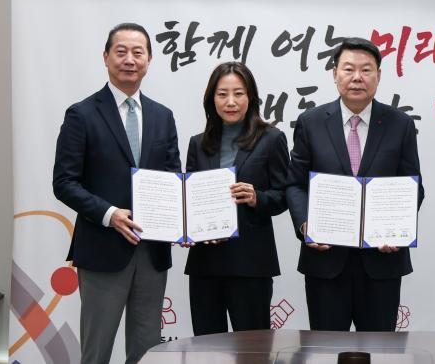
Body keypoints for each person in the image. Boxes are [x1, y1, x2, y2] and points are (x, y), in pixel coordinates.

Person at [53, 23, 180, 364]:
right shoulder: (81, 114)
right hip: (102, 248)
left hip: (152, 252)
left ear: (149, 60)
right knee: (97, 351)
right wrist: (109, 214)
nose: (129, 59)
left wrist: (182, 222)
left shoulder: (163, 116)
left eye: (138, 52)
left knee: (147, 350)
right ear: (106, 57)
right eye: (121, 51)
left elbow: (172, 180)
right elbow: (64, 182)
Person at [286, 37, 425, 331]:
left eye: (366, 70)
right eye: (349, 69)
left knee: (379, 348)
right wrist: (305, 225)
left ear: (378, 76)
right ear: (335, 73)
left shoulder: (400, 124)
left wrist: (396, 229)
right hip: (325, 260)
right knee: (325, 348)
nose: (357, 77)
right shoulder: (311, 122)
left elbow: (413, 187)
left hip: (381, 261)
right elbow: (295, 184)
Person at [183, 62, 289, 335]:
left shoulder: (272, 139)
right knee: (206, 347)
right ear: (211, 99)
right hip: (206, 263)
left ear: (250, 97)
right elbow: (190, 199)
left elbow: (284, 195)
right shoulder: (197, 143)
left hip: (250, 263)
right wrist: (188, 229)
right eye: (222, 94)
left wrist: (256, 198)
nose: (230, 102)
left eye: (238, 93)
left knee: (253, 349)